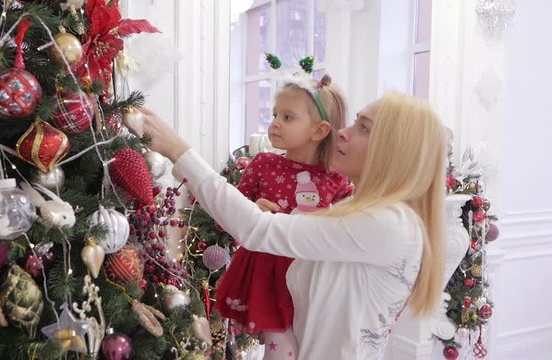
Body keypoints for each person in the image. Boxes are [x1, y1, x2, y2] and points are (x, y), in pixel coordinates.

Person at [125, 91, 446, 359]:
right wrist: (275, 218)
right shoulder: (359, 212)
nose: (344, 132)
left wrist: (177, 150)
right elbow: (284, 238)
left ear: (394, 152)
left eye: (364, 127)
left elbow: (256, 230)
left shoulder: (388, 223)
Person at [215, 74, 351, 359]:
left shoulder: (336, 179)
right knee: (280, 351)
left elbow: (345, 232)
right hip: (269, 276)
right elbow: (227, 213)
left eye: (288, 117)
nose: (275, 122)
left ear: (319, 130)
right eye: (276, 114)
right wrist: (253, 208)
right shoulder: (264, 164)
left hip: (314, 279)